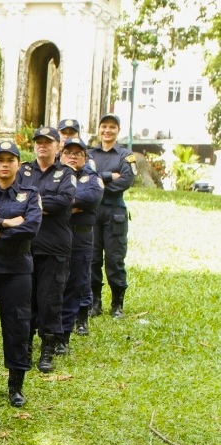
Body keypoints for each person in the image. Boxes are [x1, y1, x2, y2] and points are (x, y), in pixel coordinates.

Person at [0, 141, 42, 407]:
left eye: (10, 160)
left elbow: (32, 228)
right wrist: (6, 222)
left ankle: (16, 385)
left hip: (17, 269)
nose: (5, 164)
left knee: (17, 325)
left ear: (18, 164)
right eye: (0, 159)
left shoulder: (30, 193)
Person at [16, 126, 76, 373]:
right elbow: (12, 201)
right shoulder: (24, 171)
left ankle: (48, 350)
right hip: (25, 246)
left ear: (57, 147)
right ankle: (26, 347)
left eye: (47, 142)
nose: (42, 146)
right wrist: (39, 205)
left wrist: (30, 204)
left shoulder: (66, 173)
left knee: (50, 300)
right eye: (38, 142)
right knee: (26, 301)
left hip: (54, 247)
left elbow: (64, 202)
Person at [88, 113, 136, 318]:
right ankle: (94, 303)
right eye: (104, 126)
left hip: (115, 213)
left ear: (118, 130)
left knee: (115, 260)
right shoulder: (89, 155)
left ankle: (117, 304)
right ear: (99, 129)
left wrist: (97, 183)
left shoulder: (126, 155)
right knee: (92, 258)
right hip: (92, 213)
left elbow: (125, 181)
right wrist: (108, 177)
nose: (107, 131)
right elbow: (84, 179)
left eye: (112, 127)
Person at [59, 137, 104, 346]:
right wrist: (72, 203)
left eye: (78, 153)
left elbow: (91, 198)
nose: (72, 156)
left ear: (85, 158)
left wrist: (61, 203)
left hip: (81, 236)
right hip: (57, 234)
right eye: (68, 152)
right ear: (61, 154)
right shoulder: (54, 175)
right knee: (56, 283)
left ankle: (77, 322)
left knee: (78, 281)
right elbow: (44, 198)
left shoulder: (92, 177)